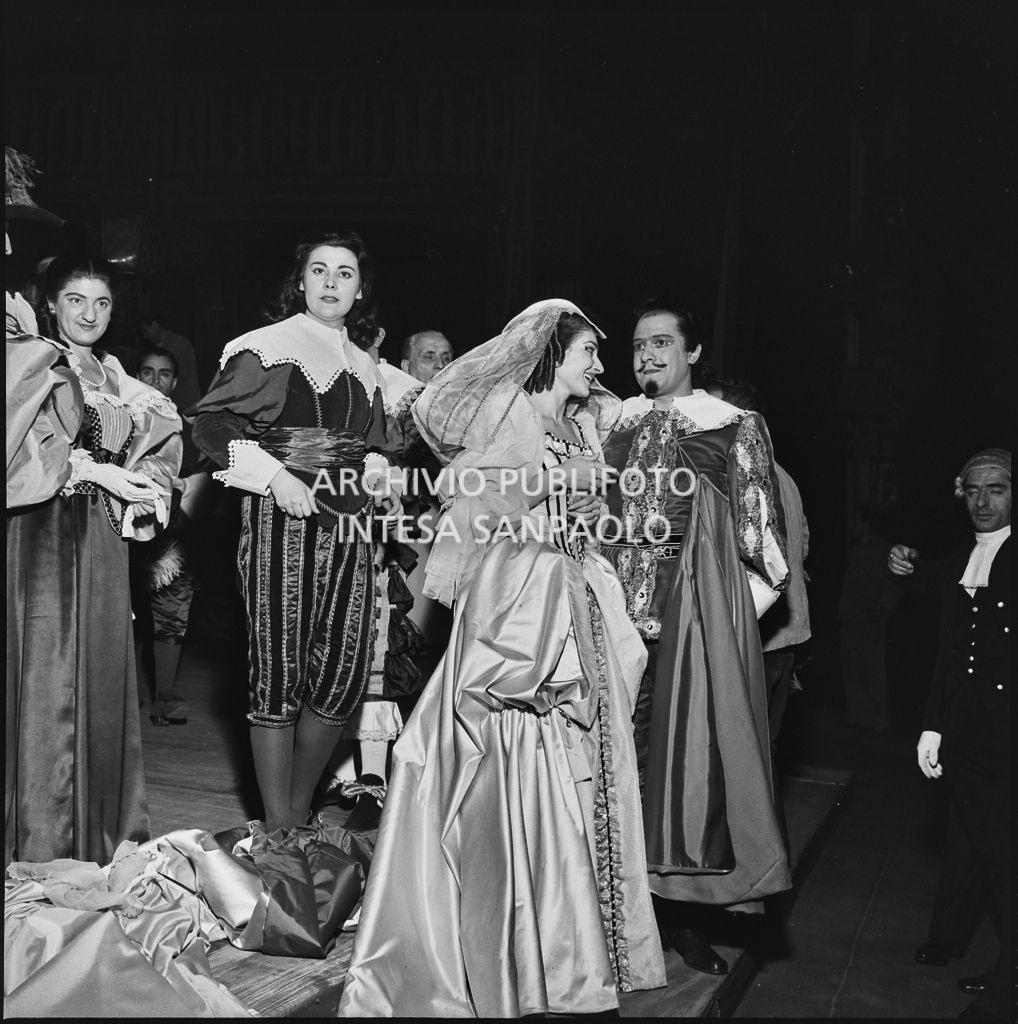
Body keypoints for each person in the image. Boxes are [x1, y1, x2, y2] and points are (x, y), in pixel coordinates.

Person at [339, 300, 666, 1017]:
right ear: (553, 354)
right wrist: (546, 494)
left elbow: (588, 510)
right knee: (508, 770)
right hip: (518, 615)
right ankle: (507, 950)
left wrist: (585, 515)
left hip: (575, 601)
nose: (599, 367)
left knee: (582, 768)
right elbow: (467, 503)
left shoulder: (581, 424)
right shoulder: (509, 416)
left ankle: (566, 947)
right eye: (588, 353)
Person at [601, 301, 791, 976]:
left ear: (693, 352)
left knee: (678, 786)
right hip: (603, 634)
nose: (647, 355)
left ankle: (676, 919)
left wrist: (721, 629)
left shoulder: (732, 426)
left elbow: (764, 545)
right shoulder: (610, 422)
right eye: (637, 345)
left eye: (661, 342)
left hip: (683, 642)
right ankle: (607, 919)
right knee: (608, 777)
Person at [192, 228, 399, 834]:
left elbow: (373, 444)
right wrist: (272, 475)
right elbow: (210, 425)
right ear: (301, 280)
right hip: (282, 520)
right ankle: (280, 831)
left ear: (360, 290)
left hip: (351, 526)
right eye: (319, 270)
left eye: (345, 273)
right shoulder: (267, 348)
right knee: (279, 666)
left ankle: (295, 815)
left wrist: (377, 474)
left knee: (342, 671)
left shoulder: (365, 365)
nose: (331, 282)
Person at [7, 251, 182, 866]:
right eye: (76, 300)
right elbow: (26, 444)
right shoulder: (29, 356)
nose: (89, 313)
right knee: (48, 671)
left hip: (105, 540)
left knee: (104, 669)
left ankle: (99, 829)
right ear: (51, 301)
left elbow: (161, 441)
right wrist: (93, 470)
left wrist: (149, 489)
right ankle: (44, 835)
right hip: (46, 531)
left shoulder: (117, 377)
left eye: (102, 302)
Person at [890, 448, 1010, 1022]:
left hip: (1005, 735)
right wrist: (932, 725)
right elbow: (945, 641)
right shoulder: (966, 553)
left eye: (998, 490)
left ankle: (1010, 979)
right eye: (973, 491)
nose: (983, 502)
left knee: (1002, 854)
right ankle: (948, 937)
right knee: (967, 838)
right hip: (964, 729)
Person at [708, 378, 811, 761]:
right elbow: (802, 547)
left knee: (739, 759)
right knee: (764, 752)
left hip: (756, 640)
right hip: (783, 641)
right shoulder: (783, 474)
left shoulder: (743, 476)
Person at [131, 346, 214, 725]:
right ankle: (122, 697)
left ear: (175, 381)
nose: (155, 380)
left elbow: (207, 486)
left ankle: (164, 695)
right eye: (147, 372)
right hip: (118, 533)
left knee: (172, 617)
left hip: (172, 540)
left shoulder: (193, 432)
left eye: (164, 374)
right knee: (121, 616)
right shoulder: (116, 421)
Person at [839, 505, 902, 731]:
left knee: (873, 670)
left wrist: (882, 609)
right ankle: (858, 720)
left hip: (871, 620)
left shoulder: (883, 549)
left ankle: (877, 724)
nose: (853, 526)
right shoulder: (856, 550)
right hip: (851, 617)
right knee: (852, 669)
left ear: (865, 523)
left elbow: (897, 585)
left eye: (856, 522)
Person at [139, 308, 202, 414]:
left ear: (154, 325)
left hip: (184, 404)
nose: (145, 336)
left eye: (146, 331)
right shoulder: (160, 346)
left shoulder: (177, 345)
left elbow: (180, 377)